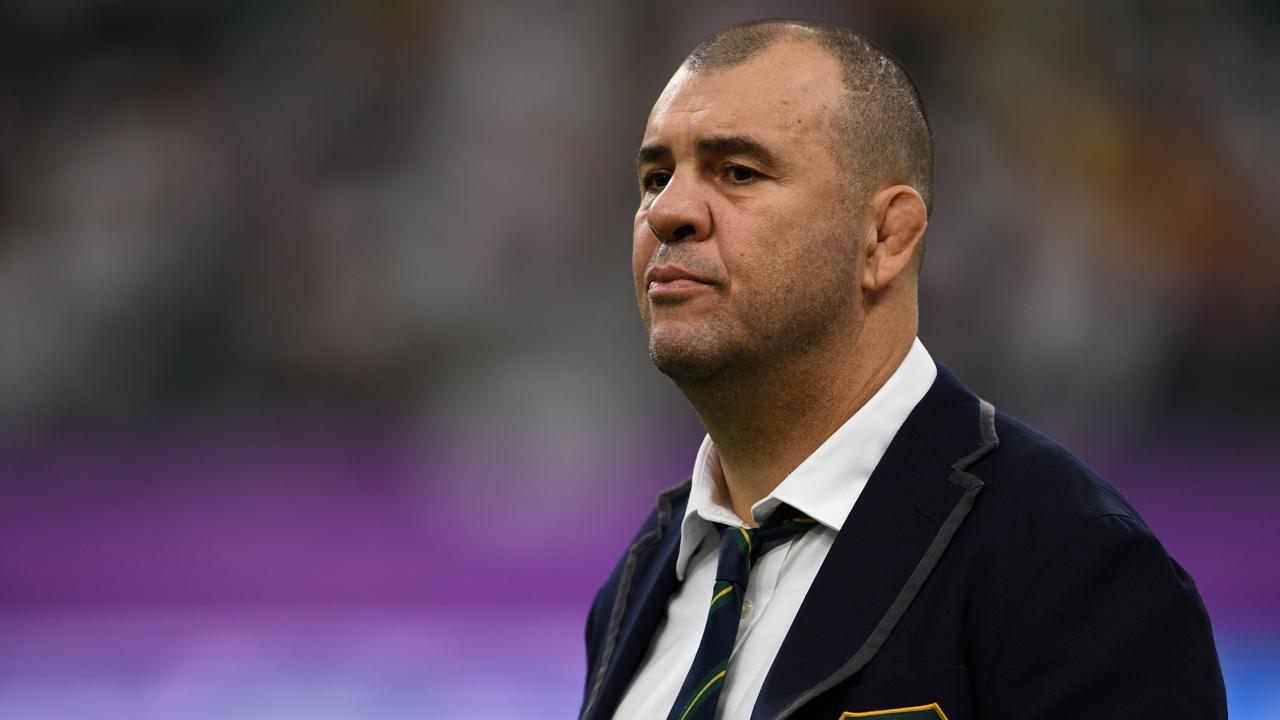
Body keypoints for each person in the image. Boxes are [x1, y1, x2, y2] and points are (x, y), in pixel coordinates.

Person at [580, 18, 1226, 720]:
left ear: (886, 236)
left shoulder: (1070, 563)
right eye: (655, 176)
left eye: (738, 171)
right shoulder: (640, 582)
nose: (668, 210)